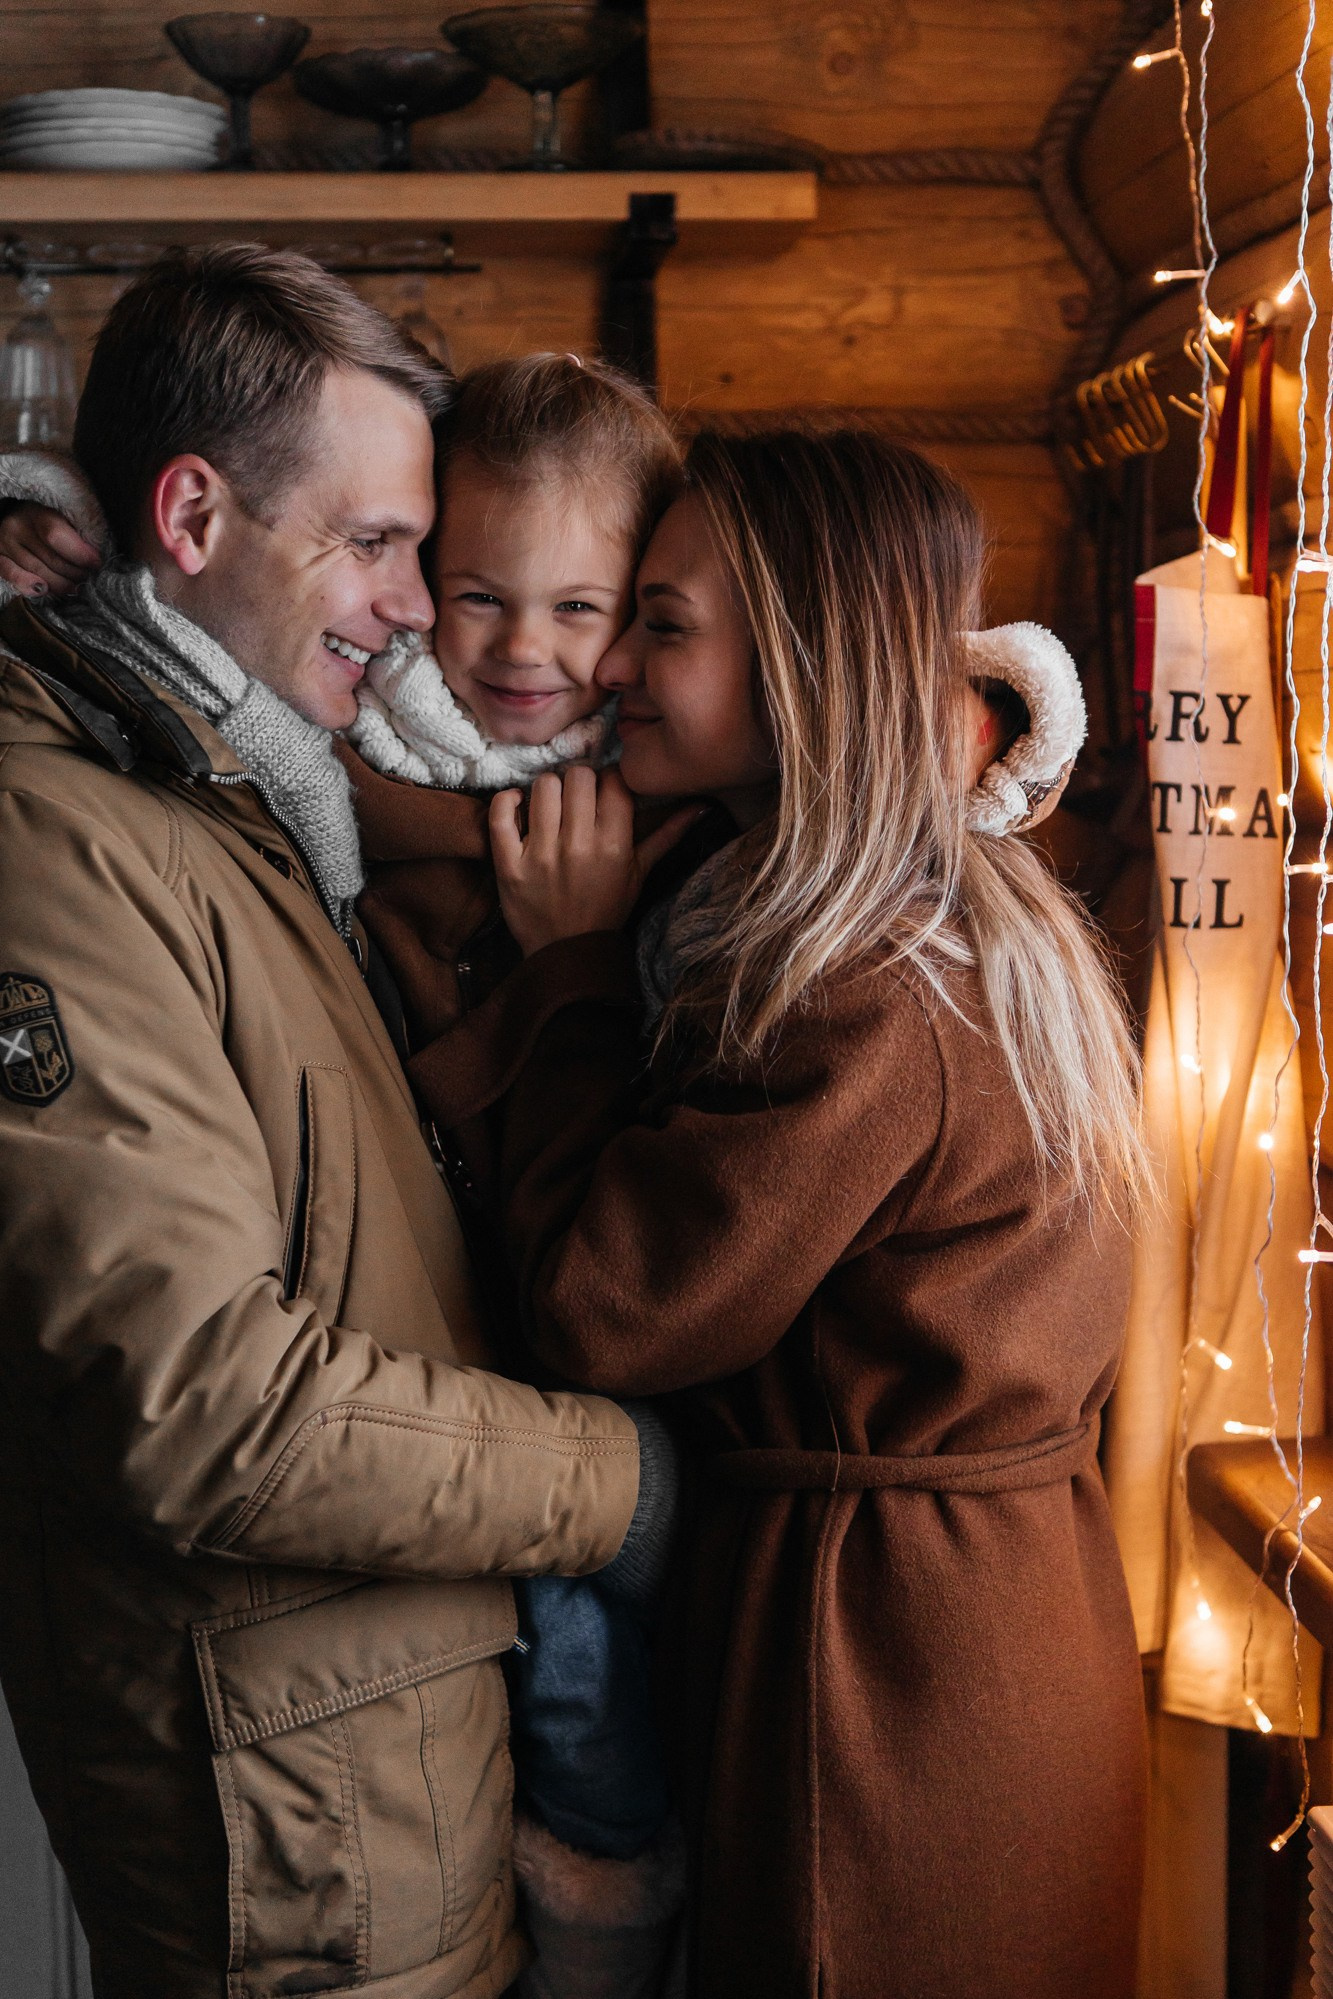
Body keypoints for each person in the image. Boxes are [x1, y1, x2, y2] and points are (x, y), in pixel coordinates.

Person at [0, 244, 676, 1999]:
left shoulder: (235, 773)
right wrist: (622, 1487)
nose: (403, 611)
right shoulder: (52, 841)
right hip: (293, 1825)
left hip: (375, 1745)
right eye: (373, 547)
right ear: (194, 513)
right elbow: (198, 1404)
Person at [399, 426, 1151, 1999]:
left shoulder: (870, 995)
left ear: (800, 661)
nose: (609, 670)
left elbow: (611, 1308)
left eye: (659, 627)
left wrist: (570, 974)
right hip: (965, 1628)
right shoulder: (917, 912)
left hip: (884, 1679)